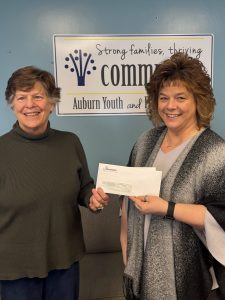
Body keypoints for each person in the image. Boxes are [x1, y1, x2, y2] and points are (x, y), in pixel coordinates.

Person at [120, 53, 225, 300]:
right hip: (139, 273)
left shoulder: (215, 153)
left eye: (181, 97)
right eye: (163, 98)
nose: (170, 106)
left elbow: (219, 216)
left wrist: (166, 208)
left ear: (198, 101)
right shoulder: (145, 142)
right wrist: (127, 255)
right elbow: (127, 202)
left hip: (189, 280)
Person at [0, 66, 108, 300]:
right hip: (15, 269)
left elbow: (84, 187)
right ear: (12, 104)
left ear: (51, 103)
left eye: (38, 96)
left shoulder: (70, 142)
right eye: (21, 98)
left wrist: (93, 199)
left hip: (64, 263)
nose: (30, 104)